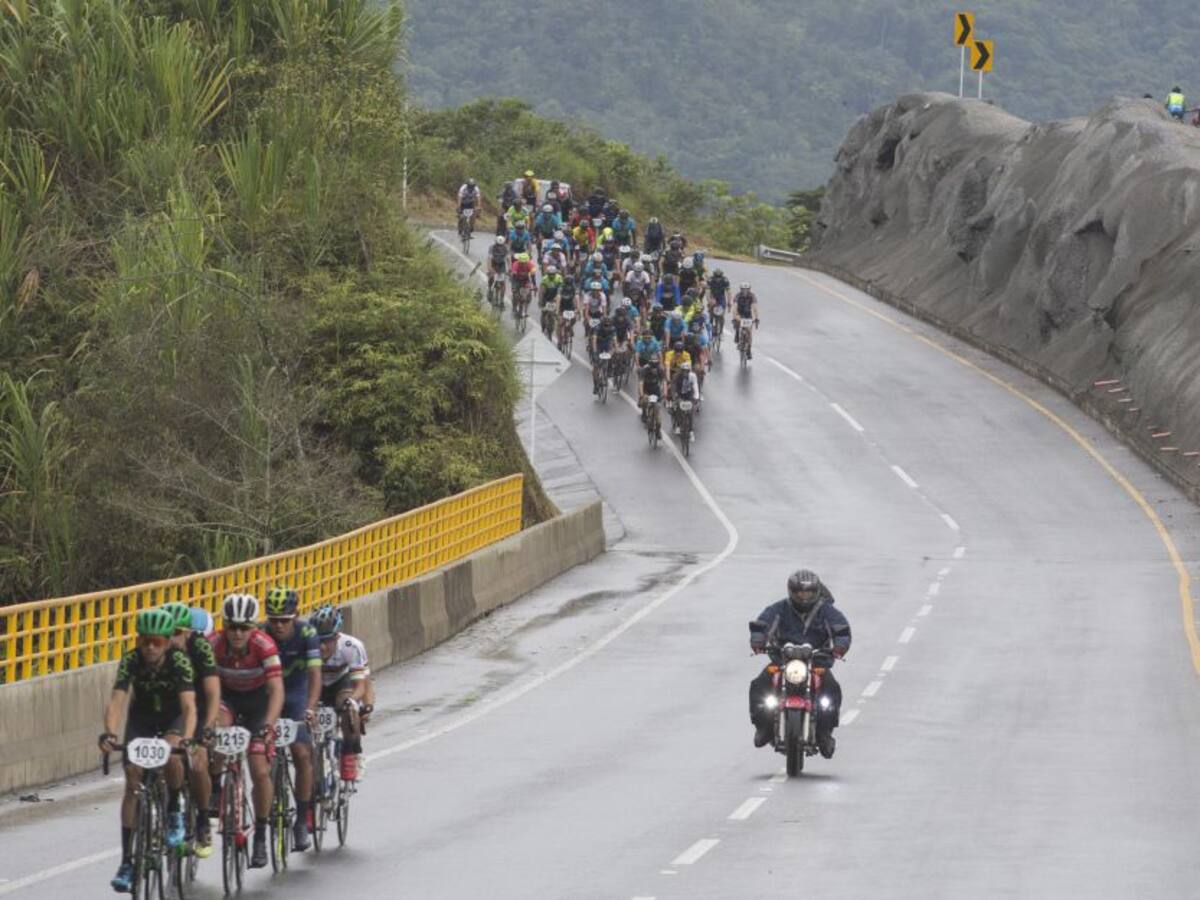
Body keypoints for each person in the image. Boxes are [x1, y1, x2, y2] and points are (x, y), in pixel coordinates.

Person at [101, 609, 197, 893]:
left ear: (167, 642)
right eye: (145, 641)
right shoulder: (131, 659)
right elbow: (117, 701)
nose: (151, 648)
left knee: (172, 757)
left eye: (157, 642)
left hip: (172, 718)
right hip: (142, 719)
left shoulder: (179, 661)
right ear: (138, 641)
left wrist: (187, 739)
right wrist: (110, 733)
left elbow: (189, 706)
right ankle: (127, 861)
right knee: (133, 780)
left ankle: (174, 811)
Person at [209, 593, 283, 869]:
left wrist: (269, 724)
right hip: (227, 699)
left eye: (244, 628)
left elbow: (277, 691)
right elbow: (206, 689)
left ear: (253, 627)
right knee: (217, 732)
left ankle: (261, 833)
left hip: (258, 704)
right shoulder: (213, 644)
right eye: (232, 627)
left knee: (259, 769)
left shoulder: (264, 645)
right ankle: (216, 787)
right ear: (224, 626)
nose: (238, 633)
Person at [748, 570, 850, 756]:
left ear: (816, 592)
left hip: (816, 663)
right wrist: (758, 640)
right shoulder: (779, 609)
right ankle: (763, 727)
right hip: (783, 661)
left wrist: (840, 646)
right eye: (800, 592)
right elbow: (762, 624)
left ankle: (825, 733)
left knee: (831, 689)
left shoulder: (827, 611)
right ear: (791, 592)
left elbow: (841, 630)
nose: (804, 597)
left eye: (808, 592)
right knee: (759, 685)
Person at [262, 587, 322, 852]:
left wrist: (310, 708)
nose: (278, 625)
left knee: (301, 752)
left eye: (284, 620)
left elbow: (315, 676)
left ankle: (301, 819)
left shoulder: (307, 633)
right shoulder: (261, 634)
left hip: (297, 694)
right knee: (262, 754)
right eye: (274, 620)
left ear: (295, 616)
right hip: (269, 694)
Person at [161, 603, 220, 858]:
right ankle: (172, 805)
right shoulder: (156, 649)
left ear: (188, 633)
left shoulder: (201, 649)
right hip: (173, 706)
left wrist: (208, 726)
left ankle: (203, 820)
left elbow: (213, 693)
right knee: (170, 754)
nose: (170, 640)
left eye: (176, 633)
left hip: (200, 705)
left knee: (198, 764)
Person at [311, 605, 369, 782]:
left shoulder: (351, 646)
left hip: (341, 683)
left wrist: (354, 702)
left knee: (347, 707)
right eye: (318, 640)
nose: (322, 646)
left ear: (337, 637)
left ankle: (353, 753)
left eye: (327, 640)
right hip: (317, 683)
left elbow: (361, 686)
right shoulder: (307, 646)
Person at [637, 353, 666, 433]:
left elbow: (664, 382)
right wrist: (642, 395)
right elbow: (641, 383)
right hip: (646, 388)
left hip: (655, 389)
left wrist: (665, 393)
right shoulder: (644, 369)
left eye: (655, 365)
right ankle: (644, 413)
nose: (654, 368)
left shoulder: (660, 369)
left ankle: (658, 428)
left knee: (657, 409)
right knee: (645, 401)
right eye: (652, 366)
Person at [671, 360, 700, 436]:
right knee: (678, 408)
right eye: (684, 371)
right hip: (680, 394)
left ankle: (691, 430)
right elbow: (673, 387)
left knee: (691, 412)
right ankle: (678, 425)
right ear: (681, 371)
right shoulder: (676, 376)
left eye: (687, 371)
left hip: (689, 395)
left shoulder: (693, 376)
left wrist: (696, 397)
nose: (685, 373)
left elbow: (695, 386)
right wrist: (674, 396)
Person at [591, 314, 617, 393]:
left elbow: (615, 341)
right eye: (605, 325)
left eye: (608, 325)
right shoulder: (597, 328)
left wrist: (615, 350)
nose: (607, 327)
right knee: (595, 367)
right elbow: (594, 340)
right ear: (602, 324)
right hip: (598, 345)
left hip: (607, 345)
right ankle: (595, 384)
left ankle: (609, 369)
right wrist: (595, 351)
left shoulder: (613, 329)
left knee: (613, 353)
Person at [733, 282, 759, 358]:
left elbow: (755, 307)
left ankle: (749, 349)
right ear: (740, 289)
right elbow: (734, 306)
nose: (745, 291)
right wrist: (735, 317)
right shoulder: (738, 295)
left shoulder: (752, 296)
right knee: (737, 323)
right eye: (743, 289)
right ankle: (737, 333)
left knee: (749, 332)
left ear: (749, 289)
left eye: (746, 289)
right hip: (739, 313)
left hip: (748, 314)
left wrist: (756, 317)